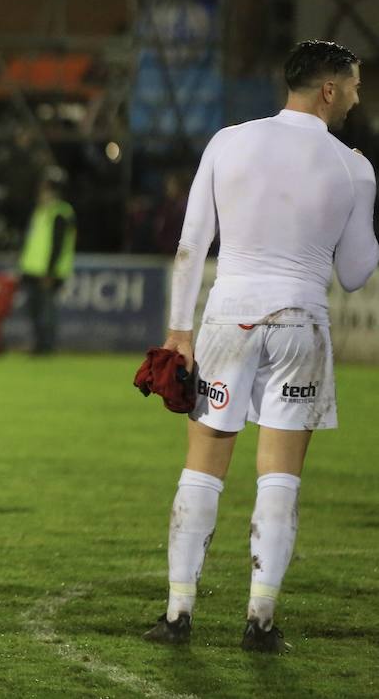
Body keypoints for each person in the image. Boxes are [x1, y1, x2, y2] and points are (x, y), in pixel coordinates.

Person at [142, 40, 376, 653]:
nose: (357, 95)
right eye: (353, 84)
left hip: (228, 319)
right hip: (301, 321)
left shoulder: (228, 141)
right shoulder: (353, 166)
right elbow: (354, 273)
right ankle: (260, 621)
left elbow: (192, 243)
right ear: (329, 89)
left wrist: (178, 332)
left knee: (203, 467)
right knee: (281, 478)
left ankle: (177, 613)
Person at [17, 172, 75, 355]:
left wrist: (50, 271)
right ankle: (39, 344)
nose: (41, 194)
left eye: (45, 190)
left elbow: (58, 245)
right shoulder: (40, 211)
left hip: (48, 272)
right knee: (34, 310)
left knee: (46, 311)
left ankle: (47, 346)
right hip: (32, 270)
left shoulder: (60, 213)